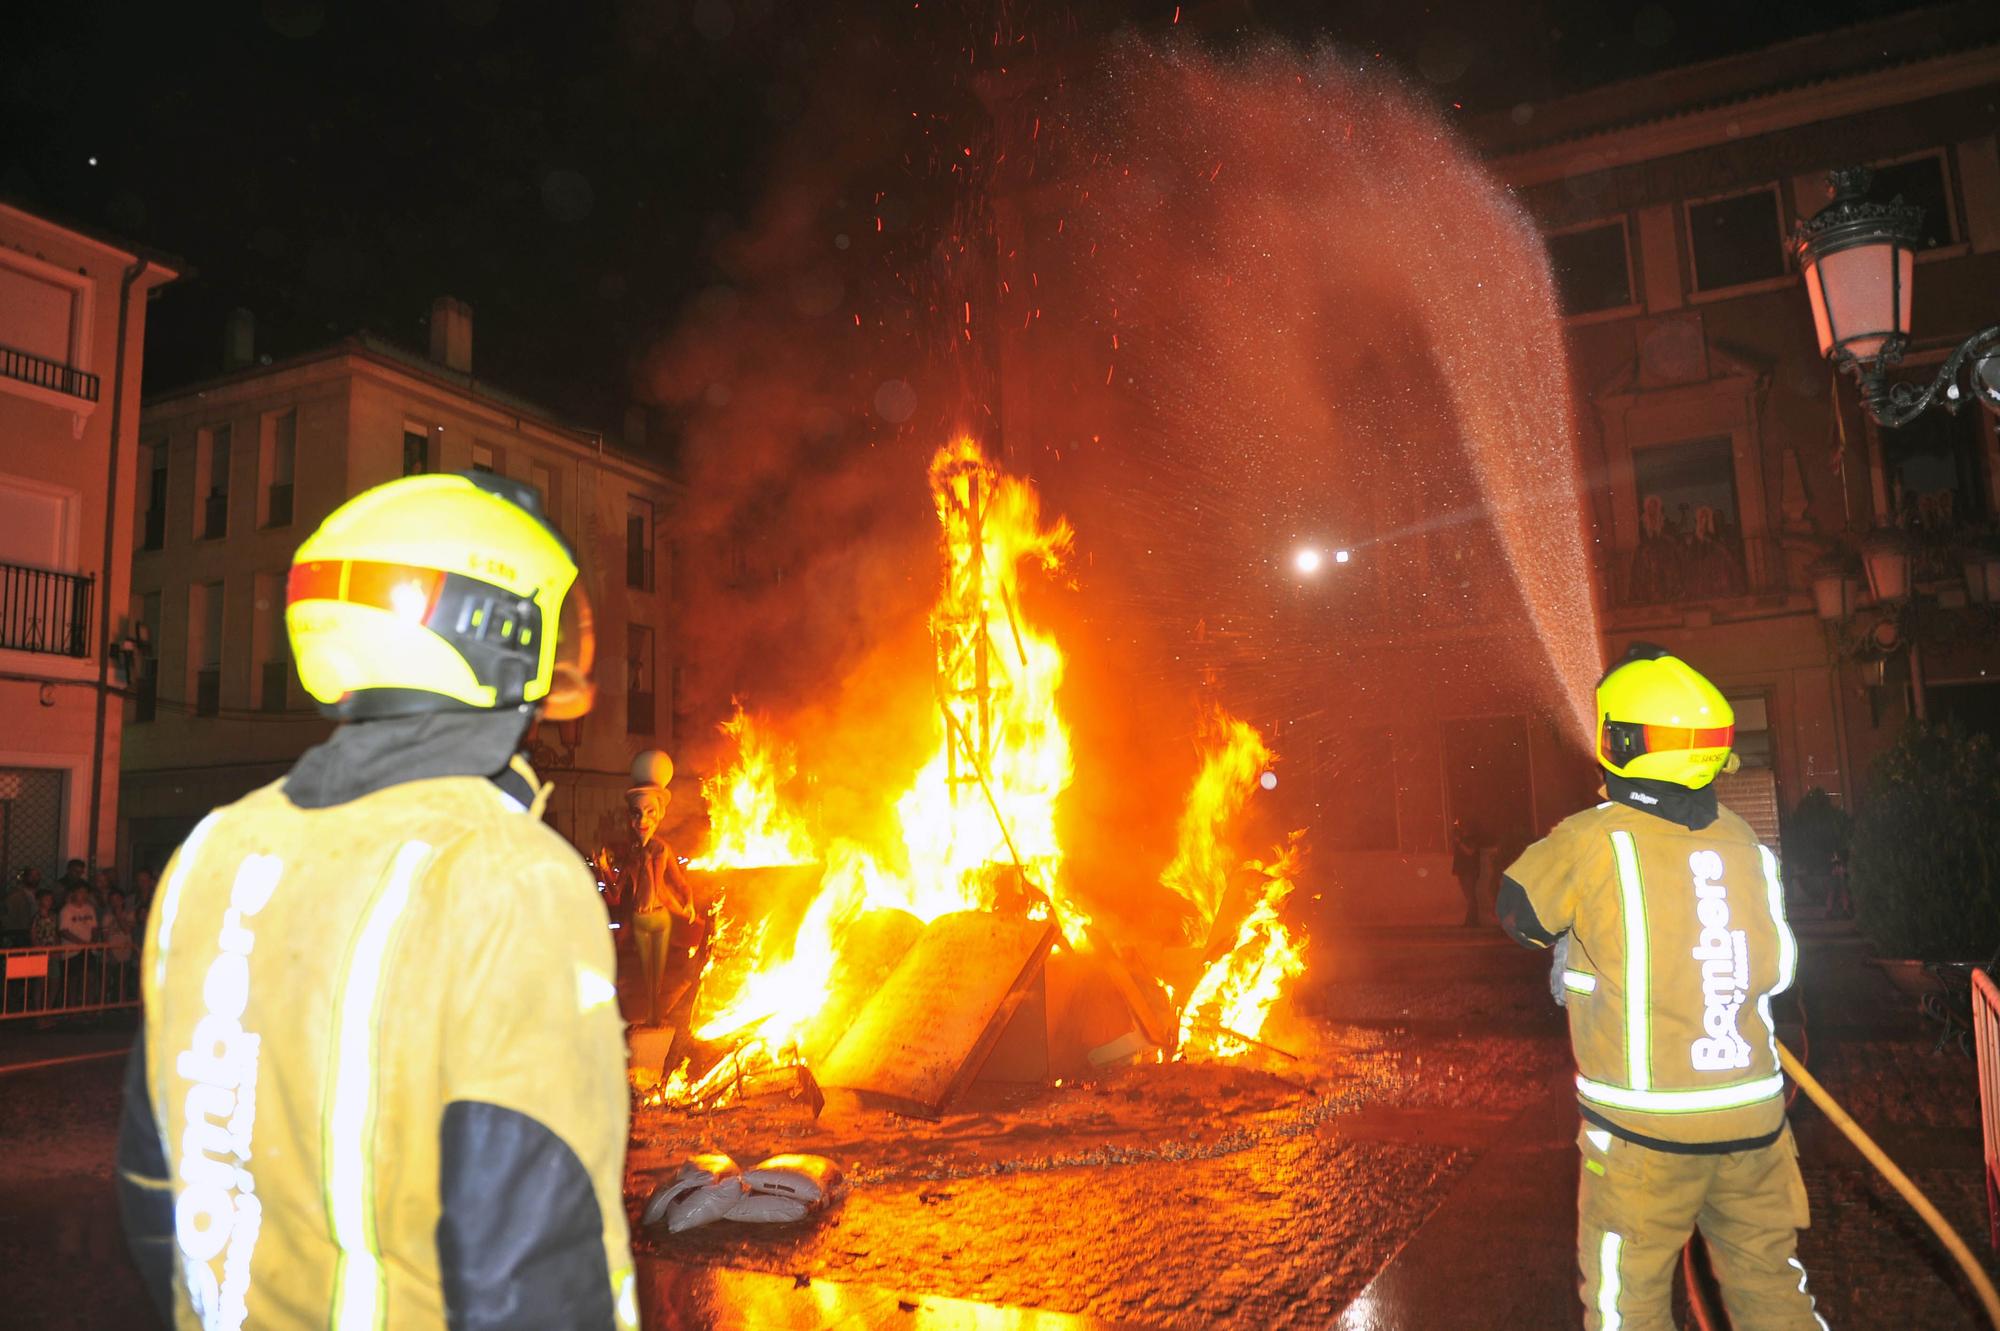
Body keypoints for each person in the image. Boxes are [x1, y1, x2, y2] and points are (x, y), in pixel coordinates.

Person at [116, 470, 639, 1331]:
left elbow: (152, 1180)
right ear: (498, 631)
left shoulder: (215, 846)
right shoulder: (506, 872)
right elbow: (534, 1266)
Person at [1496, 643, 1823, 1330]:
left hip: (1643, 1138)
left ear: (1615, 742)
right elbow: (1778, 967)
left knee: (1629, 1303)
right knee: (1773, 1290)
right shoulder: (1746, 844)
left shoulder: (1592, 838)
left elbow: (1517, 911)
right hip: (1753, 1127)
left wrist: (1569, 943)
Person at [614, 778, 697, 1028]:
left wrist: (689, 903)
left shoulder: (662, 850)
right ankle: (647, 1015)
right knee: (644, 968)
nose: (642, 821)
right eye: (637, 814)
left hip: (660, 916)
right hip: (640, 918)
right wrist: (607, 870)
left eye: (650, 813)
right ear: (631, 818)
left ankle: (655, 1017)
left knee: (658, 969)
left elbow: (679, 882)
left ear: (659, 815)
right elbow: (618, 890)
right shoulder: (632, 854)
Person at [58, 879, 99, 1006]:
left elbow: (95, 928)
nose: (84, 895)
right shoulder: (66, 910)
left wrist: (92, 942)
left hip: (88, 950)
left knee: (90, 979)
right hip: (72, 951)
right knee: (73, 981)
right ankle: (72, 1009)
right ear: (74, 893)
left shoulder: (89, 908)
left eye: (86, 892)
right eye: (81, 892)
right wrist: (81, 943)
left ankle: (87, 1007)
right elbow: (64, 931)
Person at [1449, 819, 1485, 927]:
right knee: (1468, 896)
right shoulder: (1462, 839)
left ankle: (1472, 921)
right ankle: (1472, 921)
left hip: (1470, 871)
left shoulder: (1473, 839)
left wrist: (1459, 842)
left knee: (1470, 896)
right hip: (1462, 870)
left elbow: (1470, 852)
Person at [3, 867, 39, 948]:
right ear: (25, 878)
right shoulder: (15, 896)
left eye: (37, 875)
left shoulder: (37, 895)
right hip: (17, 934)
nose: (35, 878)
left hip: (29, 933)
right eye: (31, 876)